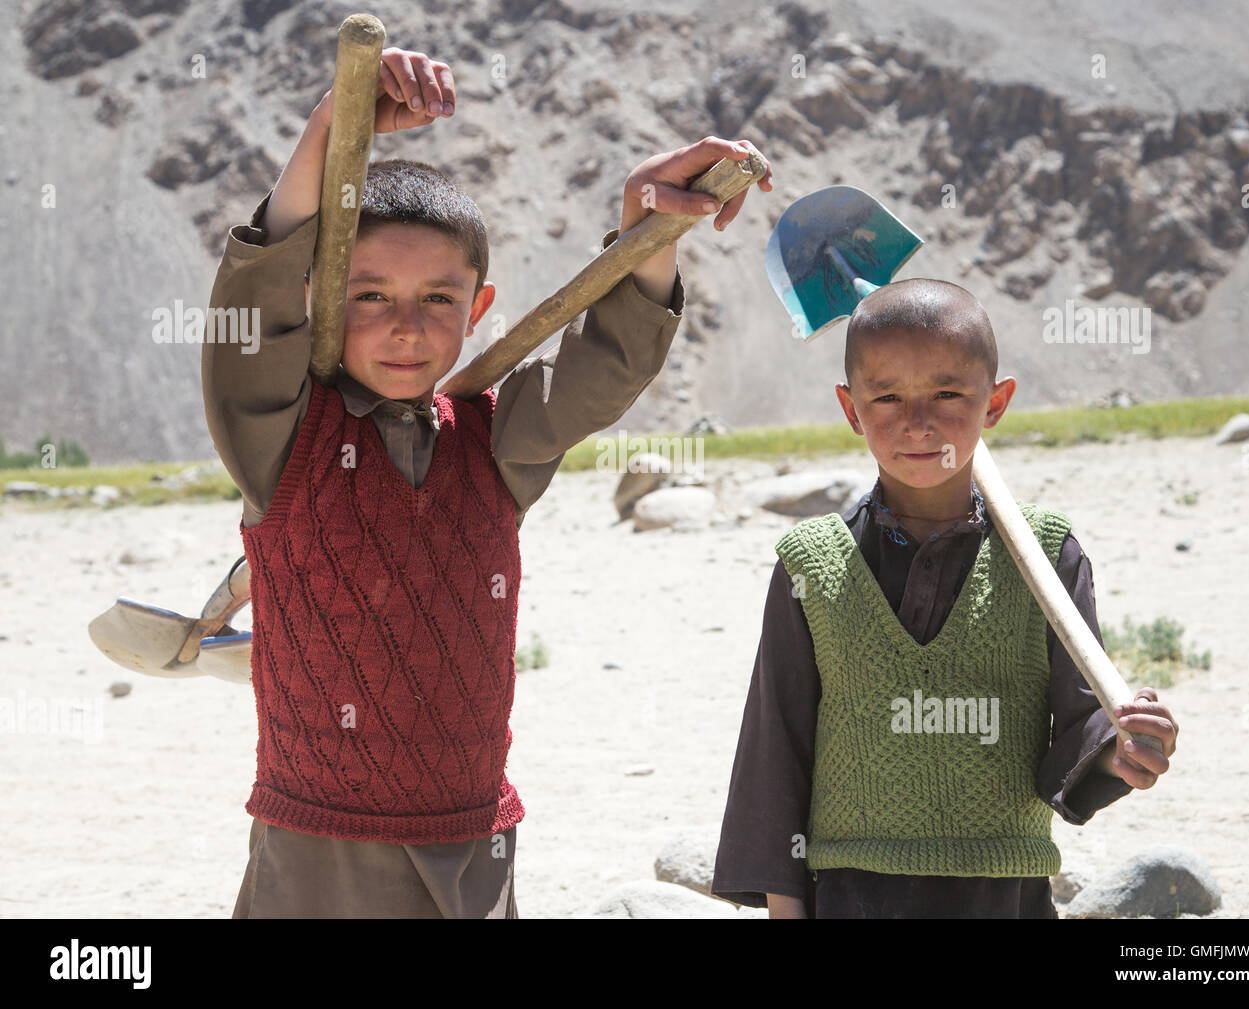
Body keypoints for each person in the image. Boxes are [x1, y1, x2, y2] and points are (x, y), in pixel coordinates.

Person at [202, 45, 773, 918]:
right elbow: (256, 310)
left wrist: (647, 225)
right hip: (317, 850)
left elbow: (603, 369)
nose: (405, 326)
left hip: (471, 843)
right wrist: (331, 123)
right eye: (368, 296)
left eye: (437, 299)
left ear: (477, 309)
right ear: (318, 299)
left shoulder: (494, 445)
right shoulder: (279, 438)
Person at [711, 278, 1178, 918]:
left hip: (1004, 894)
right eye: (887, 397)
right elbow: (775, 754)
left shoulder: (1045, 554)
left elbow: (1082, 724)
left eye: (949, 393)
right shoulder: (811, 566)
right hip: (854, 893)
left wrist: (1122, 750)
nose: (918, 421)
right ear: (851, 410)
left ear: (997, 402)